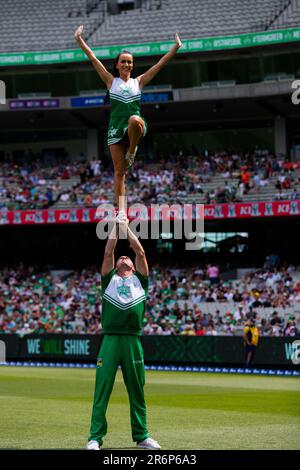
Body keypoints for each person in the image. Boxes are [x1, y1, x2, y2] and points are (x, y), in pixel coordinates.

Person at [74, 25, 182, 213]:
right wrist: (79, 40)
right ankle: (121, 211)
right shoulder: (110, 81)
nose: (126, 64)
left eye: (129, 62)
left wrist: (175, 47)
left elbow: (159, 65)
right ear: (117, 65)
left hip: (134, 126)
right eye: (123, 61)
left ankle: (132, 151)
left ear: (133, 65)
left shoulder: (138, 82)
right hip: (115, 126)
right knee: (119, 172)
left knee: (134, 119)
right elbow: (93, 58)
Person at [87, 214, 160, 450]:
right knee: (102, 390)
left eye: (126, 256)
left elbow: (140, 253)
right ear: (117, 266)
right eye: (121, 257)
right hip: (110, 340)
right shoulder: (109, 280)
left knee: (137, 390)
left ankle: (142, 436)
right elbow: (109, 252)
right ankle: (95, 439)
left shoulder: (141, 280)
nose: (124, 257)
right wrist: (115, 228)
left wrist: (127, 228)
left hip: (133, 340)